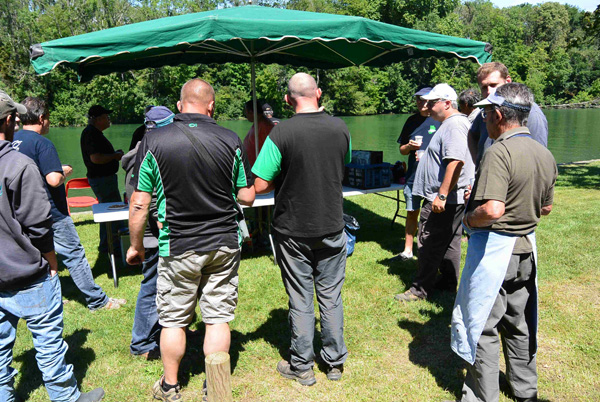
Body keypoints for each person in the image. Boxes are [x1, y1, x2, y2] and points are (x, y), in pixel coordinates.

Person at [126, 79, 255, 401]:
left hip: (178, 244)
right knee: (218, 317)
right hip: (224, 242)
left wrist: (136, 245)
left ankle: (170, 387)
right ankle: (216, 387)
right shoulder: (230, 139)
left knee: (173, 320)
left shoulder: (153, 140)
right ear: (211, 105)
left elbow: (140, 202)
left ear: (180, 105)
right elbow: (246, 196)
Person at [450, 83, 557, 402]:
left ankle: (483, 397)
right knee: (520, 323)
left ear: (498, 114)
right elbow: (546, 207)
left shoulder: (499, 151)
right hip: (526, 249)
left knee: (481, 325)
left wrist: (470, 218)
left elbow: (493, 209)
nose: (482, 119)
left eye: (485, 114)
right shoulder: (543, 153)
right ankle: (525, 391)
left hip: (496, 251)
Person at [0, 91, 105, 402]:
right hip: (28, 271)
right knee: (48, 342)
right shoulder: (18, 164)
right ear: (8, 120)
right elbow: (38, 223)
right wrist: (52, 263)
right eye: (14, 118)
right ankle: (66, 398)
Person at [252, 72, 351, 385]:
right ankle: (334, 363)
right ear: (318, 93)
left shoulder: (280, 134)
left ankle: (302, 367)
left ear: (287, 99)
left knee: (300, 299)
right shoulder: (341, 127)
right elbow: (343, 165)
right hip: (332, 224)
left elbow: (260, 183)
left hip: (293, 229)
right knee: (331, 297)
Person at [12, 97, 125, 311]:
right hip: (50, 212)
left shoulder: (13, 141)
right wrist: (61, 171)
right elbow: (53, 180)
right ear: (42, 117)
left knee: (39, 257)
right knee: (74, 254)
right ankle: (97, 300)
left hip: (22, 212)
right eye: (49, 119)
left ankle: (49, 297)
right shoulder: (41, 143)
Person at [395, 83, 474, 302]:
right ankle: (448, 282)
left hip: (443, 199)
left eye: (432, 103)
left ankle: (420, 289)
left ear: (447, 103)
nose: (427, 107)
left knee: (428, 242)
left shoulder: (454, 125)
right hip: (449, 198)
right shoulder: (450, 123)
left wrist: (441, 194)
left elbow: (456, 161)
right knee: (450, 242)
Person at [121, 106, 175, 359]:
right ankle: (141, 342)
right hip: (154, 234)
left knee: (165, 285)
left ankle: (166, 331)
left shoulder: (140, 150)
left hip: (153, 231)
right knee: (152, 286)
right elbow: (140, 199)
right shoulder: (147, 153)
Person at [468, 62, 548, 167]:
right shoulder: (485, 112)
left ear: (508, 81)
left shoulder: (530, 112)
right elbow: (472, 134)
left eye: (493, 85)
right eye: (484, 87)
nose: (489, 91)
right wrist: (478, 162)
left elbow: (540, 156)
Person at [395, 87, 441, 261]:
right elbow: (402, 150)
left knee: (433, 214)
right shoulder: (411, 121)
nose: (422, 103)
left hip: (434, 177)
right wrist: (409, 147)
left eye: (426, 100)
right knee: (412, 212)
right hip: (413, 177)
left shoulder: (439, 120)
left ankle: (429, 249)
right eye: (419, 100)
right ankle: (408, 250)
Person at [80, 105, 124, 252]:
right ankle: (113, 245)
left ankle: (107, 244)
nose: (108, 119)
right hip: (102, 180)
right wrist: (115, 156)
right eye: (106, 117)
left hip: (104, 179)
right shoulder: (91, 134)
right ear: (98, 119)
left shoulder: (94, 133)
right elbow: (95, 158)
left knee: (108, 212)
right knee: (112, 212)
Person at [242, 99, 275, 166]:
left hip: (259, 169)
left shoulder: (265, 126)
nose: (246, 115)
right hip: (251, 167)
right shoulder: (257, 123)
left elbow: (270, 150)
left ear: (251, 112)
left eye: (246, 112)